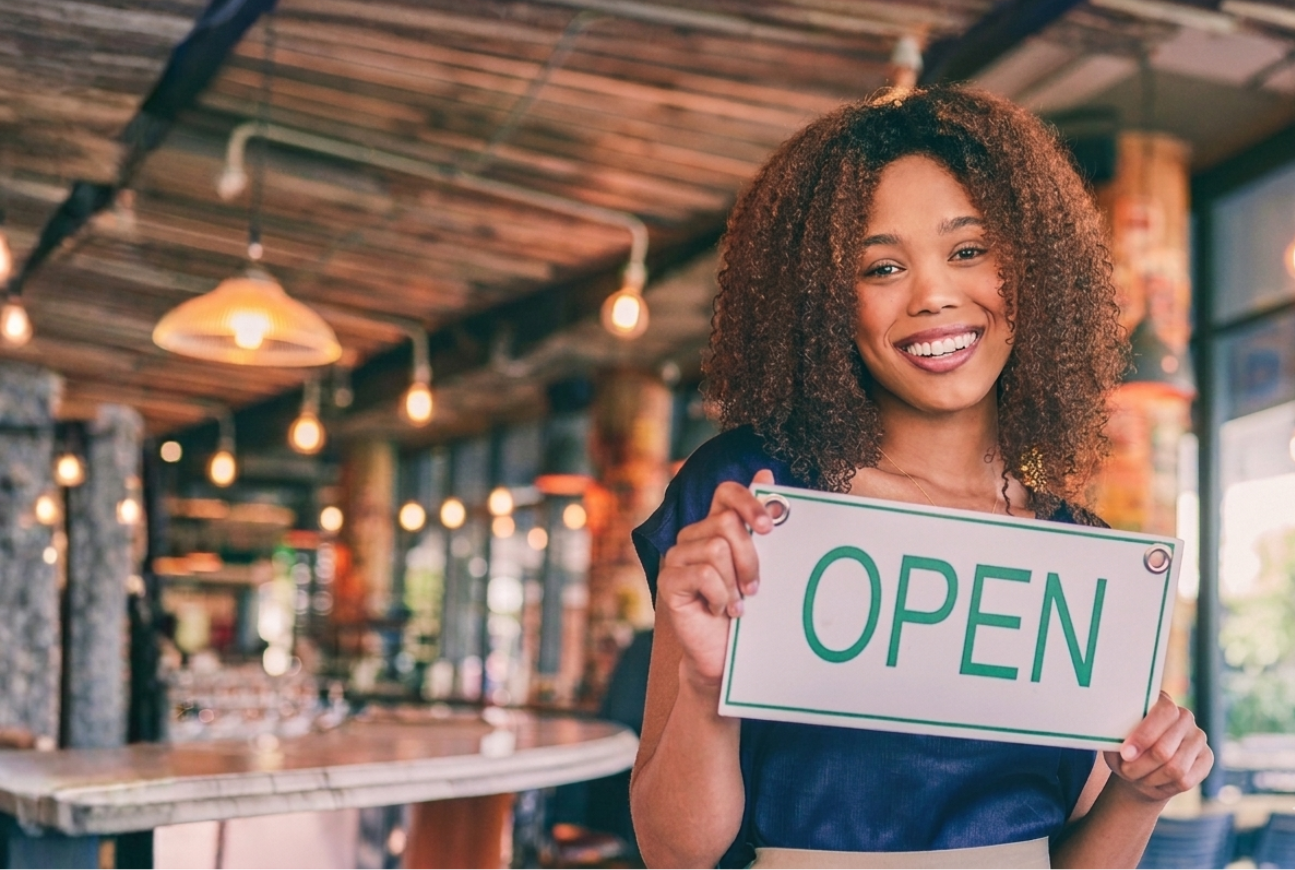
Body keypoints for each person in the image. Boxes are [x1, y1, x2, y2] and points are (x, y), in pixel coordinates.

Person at [628, 86, 1213, 869]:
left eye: (967, 251)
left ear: (1032, 271)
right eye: (880, 266)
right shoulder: (753, 500)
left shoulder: (1079, 556)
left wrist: (1140, 793)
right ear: (826, 301)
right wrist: (707, 687)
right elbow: (674, 855)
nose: (933, 294)